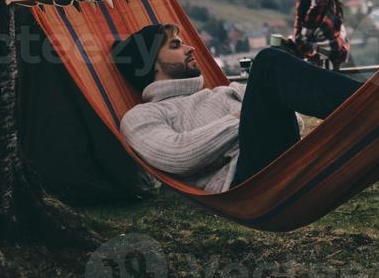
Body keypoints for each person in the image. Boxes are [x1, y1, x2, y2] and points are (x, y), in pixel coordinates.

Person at [113, 24, 360, 191]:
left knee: (271, 61)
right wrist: (237, 120)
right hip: (244, 184)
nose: (191, 48)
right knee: (267, 62)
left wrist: (246, 117)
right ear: (152, 64)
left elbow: (293, 123)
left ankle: (369, 104)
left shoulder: (224, 91)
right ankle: (364, 102)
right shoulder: (143, 116)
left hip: (282, 158)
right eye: (175, 46)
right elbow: (178, 156)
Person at [287, 0, 350, 70]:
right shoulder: (330, 0)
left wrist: (289, 42)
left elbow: (303, 42)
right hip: (331, 61)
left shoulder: (318, 5)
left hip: (319, 65)